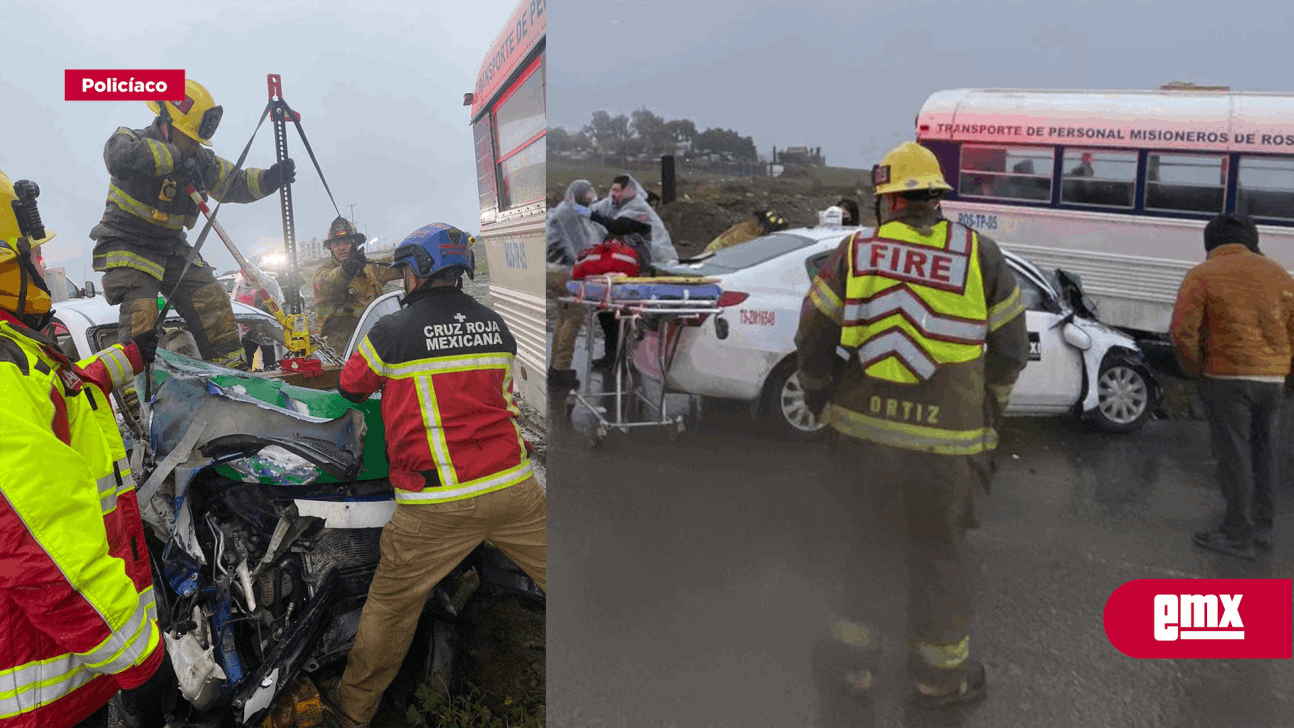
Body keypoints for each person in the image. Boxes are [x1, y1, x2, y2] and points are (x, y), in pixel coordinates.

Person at [794, 141, 1028, 708]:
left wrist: (820, 393)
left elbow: (814, 333)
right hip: (949, 447)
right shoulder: (982, 255)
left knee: (865, 546)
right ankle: (940, 678)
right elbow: (1012, 350)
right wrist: (986, 410)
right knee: (938, 555)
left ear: (889, 201)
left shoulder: (858, 250)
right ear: (935, 200)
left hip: (864, 437)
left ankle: (852, 668)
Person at [324, 223, 545, 728]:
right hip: (514, 490)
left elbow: (350, 387)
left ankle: (351, 712)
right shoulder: (496, 325)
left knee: (391, 607)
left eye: (404, 269)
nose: (401, 279)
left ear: (418, 271)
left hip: (436, 505)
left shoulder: (393, 331)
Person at [0, 169, 167, 728]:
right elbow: (46, 551)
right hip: (45, 693)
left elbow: (59, 391)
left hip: (70, 661)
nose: (42, 268)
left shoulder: (17, 352)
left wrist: (127, 357)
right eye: (32, 258)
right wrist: (139, 659)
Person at [90, 78, 295, 371]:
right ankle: (140, 398)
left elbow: (232, 181)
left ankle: (234, 381)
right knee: (142, 316)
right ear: (166, 123)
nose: (195, 145)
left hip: (171, 246)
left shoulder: (197, 159)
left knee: (213, 303)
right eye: (189, 136)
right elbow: (118, 158)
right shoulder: (129, 139)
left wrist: (269, 180)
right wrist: (174, 159)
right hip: (128, 245)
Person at [1171, 213, 1294, 560]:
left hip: (1226, 378)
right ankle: (1262, 529)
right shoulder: (1280, 275)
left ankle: (1237, 534)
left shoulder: (1203, 275)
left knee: (1234, 456)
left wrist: (1195, 370)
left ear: (1212, 242)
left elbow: (1183, 332)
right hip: (1272, 379)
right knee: (1264, 453)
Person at [587, 173, 678, 368]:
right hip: (626, 264)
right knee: (606, 308)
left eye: (618, 190)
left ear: (630, 191)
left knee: (627, 311)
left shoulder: (638, 209)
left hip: (649, 264)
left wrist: (592, 215)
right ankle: (613, 354)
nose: (614, 193)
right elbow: (599, 213)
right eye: (612, 189)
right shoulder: (617, 206)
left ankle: (627, 357)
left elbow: (619, 227)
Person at [547, 179, 606, 391]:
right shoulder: (571, 214)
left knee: (562, 319)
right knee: (573, 320)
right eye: (588, 195)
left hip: (554, 271)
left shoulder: (563, 210)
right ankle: (562, 370)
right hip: (567, 273)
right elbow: (580, 249)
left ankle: (555, 366)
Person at [313, 216, 403, 352]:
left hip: (373, 346)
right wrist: (346, 271)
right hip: (340, 353)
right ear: (331, 248)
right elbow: (330, 283)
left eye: (346, 243)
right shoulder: (323, 272)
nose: (341, 248)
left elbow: (398, 266)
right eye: (336, 244)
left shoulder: (370, 268)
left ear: (355, 245)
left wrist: (407, 255)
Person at [231, 268, 284, 369]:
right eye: (243, 275)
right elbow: (236, 300)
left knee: (268, 352)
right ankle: (246, 373)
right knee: (247, 352)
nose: (245, 278)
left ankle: (270, 372)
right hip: (249, 325)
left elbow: (272, 303)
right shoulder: (242, 285)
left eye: (246, 275)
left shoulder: (265, 285)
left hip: (263, 324)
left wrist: (261, 319)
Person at [702, 209, 789, 254]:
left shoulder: (754, 233)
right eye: (769, 231)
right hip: (712, 257)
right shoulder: (745, 233)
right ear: (761, 226)